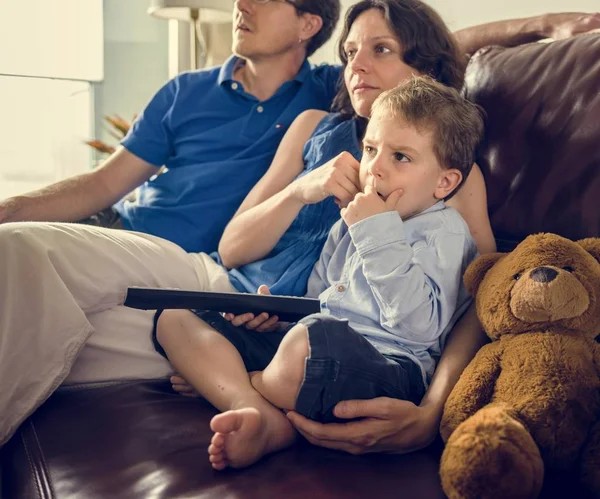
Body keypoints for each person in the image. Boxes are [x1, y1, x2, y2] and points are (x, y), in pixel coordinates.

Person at [0, 0, 597, 447]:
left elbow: (477, 294)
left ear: (425, 74)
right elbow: (232, 248)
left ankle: (255, 397)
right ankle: (256, 390)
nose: (355, 64)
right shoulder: (314, 121)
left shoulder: (447, 176)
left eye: (379, 51)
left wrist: (432, 411)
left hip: (321, 336)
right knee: (30, 265)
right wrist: (303, 189)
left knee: (44, 319)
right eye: (349, 53)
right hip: (225, 284)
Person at [155, 76, 485, 470]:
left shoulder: (444, 232)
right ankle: (256, 410)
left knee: (301, 347)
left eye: (401, 157)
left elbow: (419, 327)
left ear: (445, 182)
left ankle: (245, 384)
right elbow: (321, 300)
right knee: (176, 317)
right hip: (315, 348)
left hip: (391, 365)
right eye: (370, 149)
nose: (374, 168)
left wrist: (376, 233)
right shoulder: (350, 221)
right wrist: (274, 319)